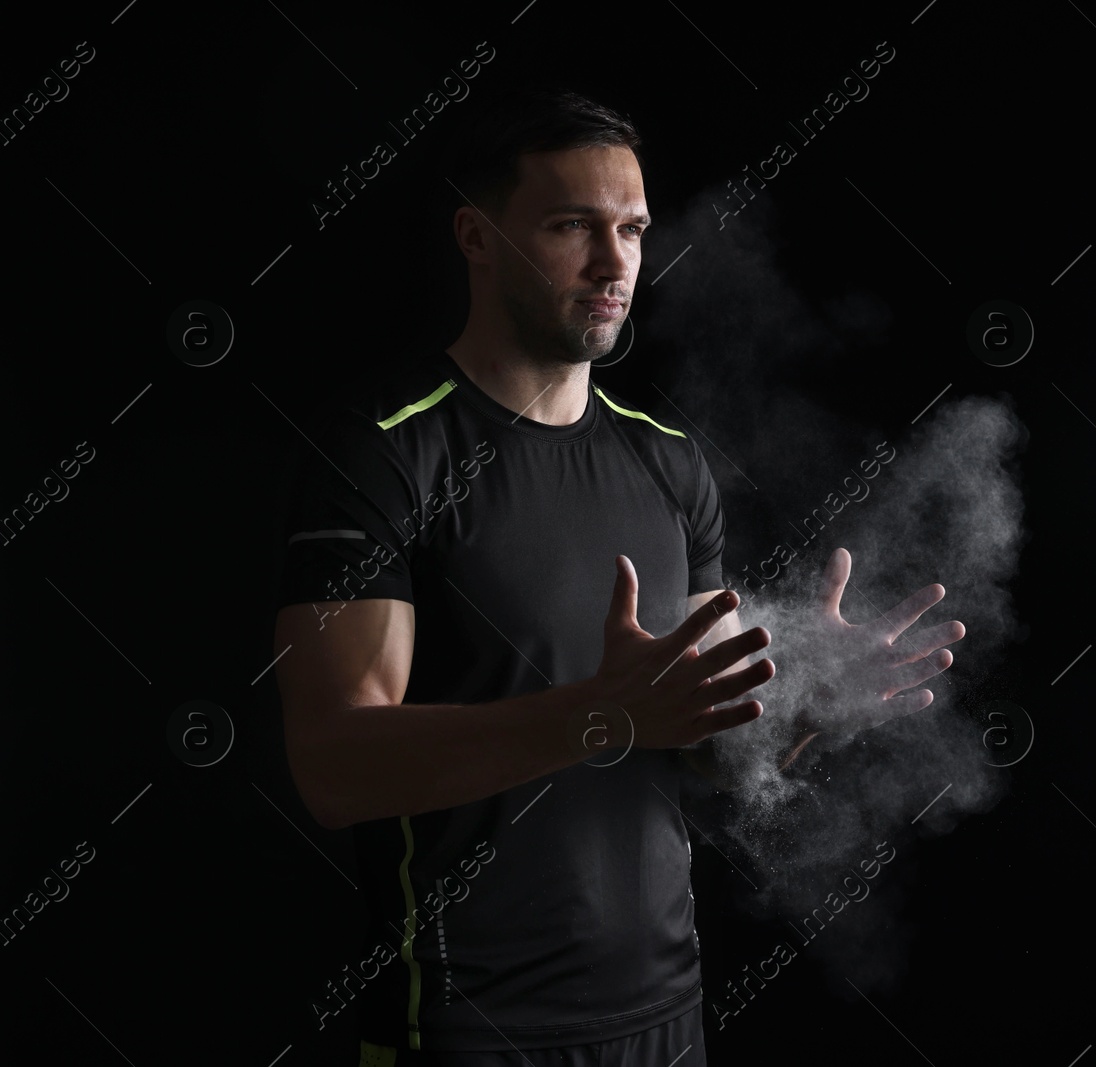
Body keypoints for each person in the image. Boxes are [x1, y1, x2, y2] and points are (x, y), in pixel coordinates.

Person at [271, 86, 965, 1067]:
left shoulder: (669, 462)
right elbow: (336, 763)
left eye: (633, 229)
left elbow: (695, 756)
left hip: (662, 1022)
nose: (614, 264)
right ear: (476, 236)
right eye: (571, 226)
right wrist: (603, 714)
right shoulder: (383, 449)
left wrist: (803, 715)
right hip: (468, 1030)